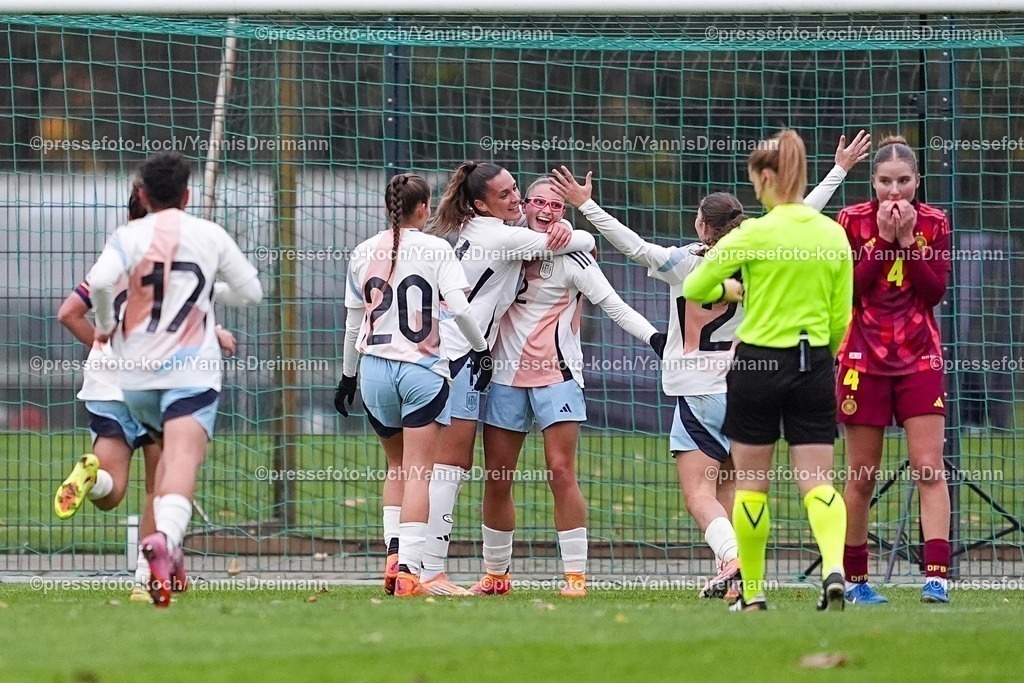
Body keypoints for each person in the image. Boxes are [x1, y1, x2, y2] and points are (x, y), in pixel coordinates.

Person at [550, 131, 869, 602]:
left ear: (702, 225)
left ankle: (735, 560)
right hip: (750, 377)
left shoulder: (684, 262)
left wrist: (586, 205)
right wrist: (838, 170)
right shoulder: (765, 249)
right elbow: (803, 213)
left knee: (700, 492)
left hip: (698, 387)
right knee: (738, 488)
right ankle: (743, 576)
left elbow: (632, 245)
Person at [681, 129, 853, 612]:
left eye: (756, 180)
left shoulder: (753, 233)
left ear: (768, 177)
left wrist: (733, 291)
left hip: (757, 364)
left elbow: (696, 285)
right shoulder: (831, 233)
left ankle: (753, 593)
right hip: (812, 361)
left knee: (753, 486)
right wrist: (822, 354)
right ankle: (834, 567)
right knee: (818, 480)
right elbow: (842, 315)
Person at [87, 151, 262, 607]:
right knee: (181, 458)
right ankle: (164, 541)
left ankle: (161, 564)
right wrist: (206, 290)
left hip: (135, 375)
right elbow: (251, 291)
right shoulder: (209, 234)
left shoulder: (128, 235)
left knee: (164, 461)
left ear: (143, 195)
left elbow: (100, 282)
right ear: (188, 194)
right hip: (190, 370)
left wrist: (105, 325)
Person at [474, 178, 663, 597]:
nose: (545, 210)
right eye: (538, 202)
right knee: (498, 476)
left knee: (560, 472)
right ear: (524, 205)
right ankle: (496, 576)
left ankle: (575, 576)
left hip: (556, 378)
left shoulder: (575, 256)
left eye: (556, 205)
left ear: (564, 212)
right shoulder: (504, 244)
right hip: (504, 378)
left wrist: (655, 339)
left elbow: (614, 305)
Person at [53, 179, 236, 602]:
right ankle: (145, 580)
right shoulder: (173, 259)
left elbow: (68, 313)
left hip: (107, 384)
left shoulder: (113, 260)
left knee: (112, 489)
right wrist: (217, 334)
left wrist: (106, 344)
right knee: (158, 486)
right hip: (156, 381)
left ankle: (91, 479)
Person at [418, 161, 596, 595]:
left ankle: (410, 566)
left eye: (515, 188)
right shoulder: (503, 237)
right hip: (458, 355)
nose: (516, 199)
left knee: (438, 465)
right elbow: (584, 240)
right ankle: (429, 572)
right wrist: (571, 226)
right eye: (506, 195)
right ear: (481, 204)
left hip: (453, 353)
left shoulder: (479, 228)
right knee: (450, 466)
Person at [334, 173, 491, 597]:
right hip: (422, 370)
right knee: (420, 471)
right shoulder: (437, 249)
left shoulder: (362, 250)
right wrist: (481, 351)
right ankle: (408, 572)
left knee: (396, 467)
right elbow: (461, 310)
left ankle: (392, 555)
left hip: (373, 370)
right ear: (423, 209)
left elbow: (353, 324)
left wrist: (348, 375)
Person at [835, 135, 952, 605]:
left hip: (919, 358)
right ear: (873, 182)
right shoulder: (851, 220)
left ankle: (937, 577)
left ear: (917, 181)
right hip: (862, 359)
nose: (895, 191)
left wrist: (908, 243)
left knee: (928, 468)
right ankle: (856, 580)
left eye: (903, 181)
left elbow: (934, 292)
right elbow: (850, 291)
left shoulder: (935, 222)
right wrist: (884, 240)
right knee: (862, 474)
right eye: (886, 181)